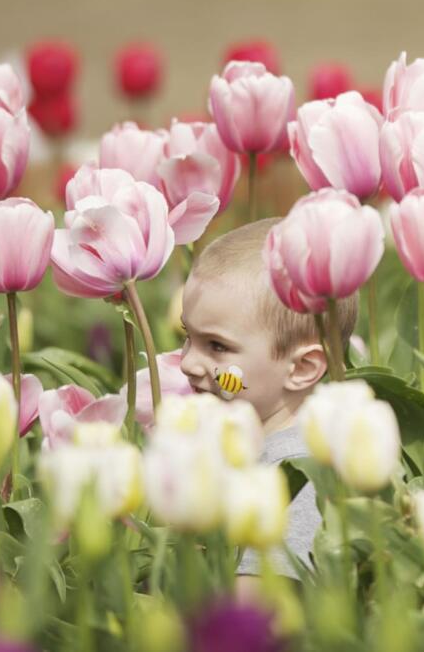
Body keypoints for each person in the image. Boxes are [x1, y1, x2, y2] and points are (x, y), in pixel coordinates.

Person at [178, 218, 358, 578]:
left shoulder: (296, 481)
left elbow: (258, 607)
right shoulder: (240, 441)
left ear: (302, 368)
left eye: (217, 346)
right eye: (187, 336)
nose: (186, 363)